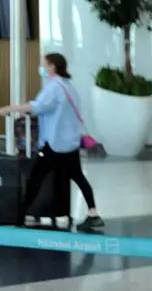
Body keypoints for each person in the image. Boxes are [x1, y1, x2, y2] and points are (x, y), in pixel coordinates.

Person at [0, 53, 104, 232]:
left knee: (35, 178)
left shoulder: (54, 87)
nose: (42, 68)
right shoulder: (68, 86)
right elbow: (52, 109)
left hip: (54, 143)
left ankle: (20, 216)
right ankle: (93, 214)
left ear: (52, 66)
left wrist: (9, 108)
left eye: (44, 64)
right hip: (70, 142)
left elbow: (37, 106)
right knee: (78, 176)